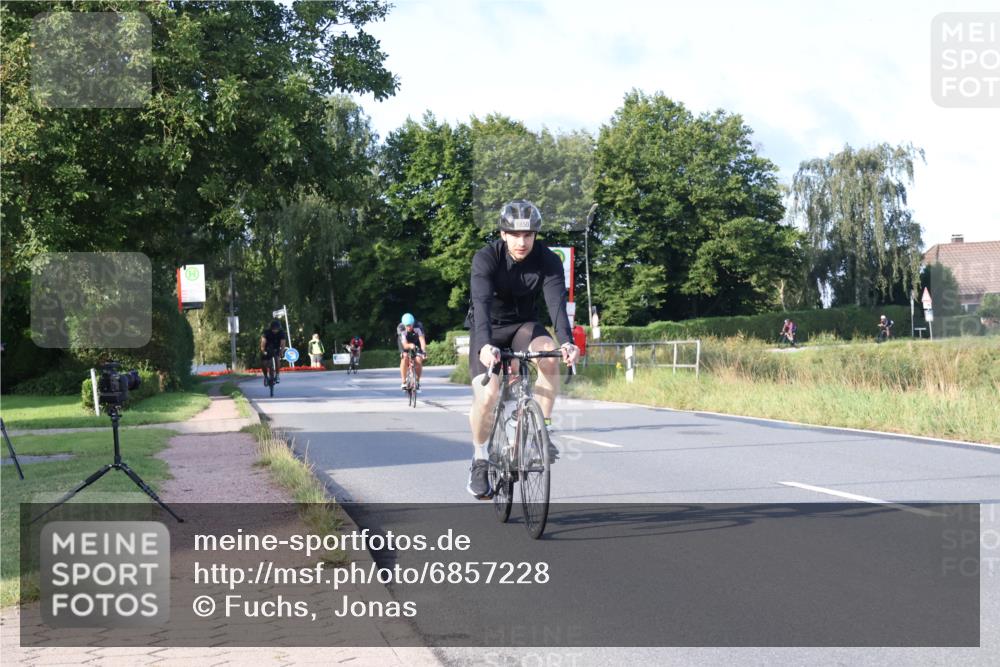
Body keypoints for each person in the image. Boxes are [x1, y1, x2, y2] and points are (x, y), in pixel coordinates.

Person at [464, 199, 580, 499]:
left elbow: (556, 304)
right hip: (488, 328)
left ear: (535, 235)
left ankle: (542, 431)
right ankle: (479, 458)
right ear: (503, 234)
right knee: (488, 395)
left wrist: (567, 342)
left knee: (549, 355)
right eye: (515, 235)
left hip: (523, 327)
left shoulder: (547, 259)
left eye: (528, 235)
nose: (522, 242)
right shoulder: (486, 258)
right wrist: (485, 345)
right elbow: (481, 303)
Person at [397, 314, 427, 390]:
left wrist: (424, 351)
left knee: (418, 360)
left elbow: (422, 340)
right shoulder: (401, 328)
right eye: (407, 326)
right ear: (404, 325)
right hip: (405, 343)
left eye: (410, 325)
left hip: (416, 341)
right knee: (404, 357)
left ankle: (417, 381)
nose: (409, 328)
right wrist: (410, 345)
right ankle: (404, 381)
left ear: (413, 323)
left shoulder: (418, 326)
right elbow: (405, 345)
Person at [260, 319, 287, 385]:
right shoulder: (266, 332)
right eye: (273, 329)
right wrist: (263, 351)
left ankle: (277, 375)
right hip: (267, 348)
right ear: (271, 328)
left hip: (276, 348)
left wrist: (281, 352)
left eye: (276, 329)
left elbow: (283, 344)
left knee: (277, 359)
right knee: (263, 363)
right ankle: (266, 377)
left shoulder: (281, 333)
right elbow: (263, 342)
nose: (275, 330)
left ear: (279, 328)